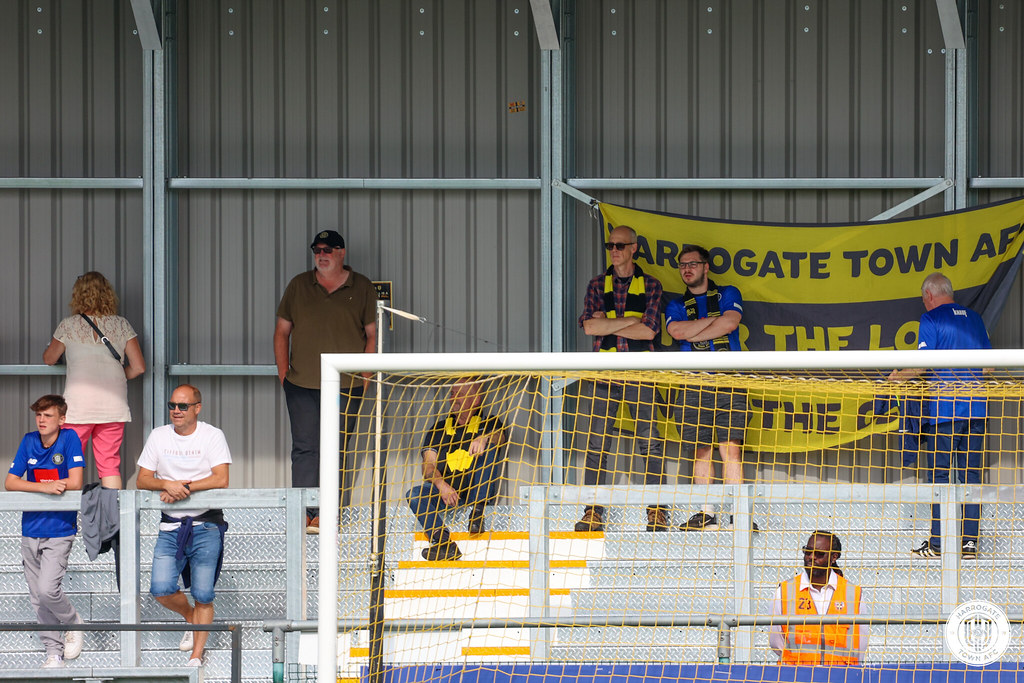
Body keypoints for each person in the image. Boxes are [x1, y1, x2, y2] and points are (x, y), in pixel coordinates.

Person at [274, 230, 377, 533]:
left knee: (337, 448)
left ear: (342, 252)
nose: (322, 254)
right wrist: (284, 374)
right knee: (305, 448)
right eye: (317, 249)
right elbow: (282, 331)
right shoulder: (298, 285)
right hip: (301, 384)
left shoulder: (362, 287)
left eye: (328, 249)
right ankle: (305, 512)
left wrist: (365, 376)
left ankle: (328, 512)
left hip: (346, 386)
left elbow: (372, 335)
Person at [889, 272, 991, 560]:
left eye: (923, 299)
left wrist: (899, 378)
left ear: (929, 295)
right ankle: (970, 543)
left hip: (945, 411)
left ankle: (937, 543)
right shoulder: (976, 319)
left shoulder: (931, 320)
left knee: (940, 476)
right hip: (977, 409)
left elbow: (923, 365)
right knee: (971, 476)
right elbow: (989, 369)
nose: (924, 304)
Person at [576, 225, 667, 533]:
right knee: (597, 443)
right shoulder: (596, 284)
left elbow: (650, 331)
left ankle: (657, 510)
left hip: (640, 374)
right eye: (610, 245)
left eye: (619, 245)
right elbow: (589, 328)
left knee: (650, 442)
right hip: (604, 375)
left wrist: (608, 324)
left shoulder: (652, 285)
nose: (613, 250)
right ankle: (593, 511)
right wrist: (630, 321)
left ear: (633, 248)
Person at [136, 385, 232, 667]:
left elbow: (220, 478)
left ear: (197, 408)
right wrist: (167, 483)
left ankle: (196, 655)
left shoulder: (213, 435)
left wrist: (183, 488)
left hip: (206, 525)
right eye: (172, 405)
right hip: (170, 527)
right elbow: (142, 479)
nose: (176, 411)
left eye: (183, 406)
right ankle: (190, 618)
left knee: (203, 593)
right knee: (160, 588)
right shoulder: (158, 435)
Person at [665, 244, 752, 531]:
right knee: (701, 449)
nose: (686, 269)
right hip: (694, 383)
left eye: (692, 264)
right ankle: (706, 513)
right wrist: (715, 321)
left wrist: (699, 327)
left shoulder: (728, 293)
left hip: (729, 380)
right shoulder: (675, 304)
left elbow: (731, 323)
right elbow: (677, 332)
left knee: (731, 449)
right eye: (682, 265)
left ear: (706, 266)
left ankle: (737, 515)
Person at [43, 271, 146, 489]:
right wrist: (117, 376)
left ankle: (67, 518)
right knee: (109, 464)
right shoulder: (122, 325)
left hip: (78, 408)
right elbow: (138, 367)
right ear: (108, 295)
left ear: (77, 296)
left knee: (69, 463)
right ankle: (112, 520)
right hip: (113, 406)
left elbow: (50, 359)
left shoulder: (68, 325)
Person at [5, 395, 86, 669]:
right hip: (30, 529)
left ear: (61, 420)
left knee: (47, 590)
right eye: (39, 415)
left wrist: (50, 483)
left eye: (48, 415)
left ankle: (74, 621)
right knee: (37, 596)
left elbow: (75, 483)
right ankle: (53, 652)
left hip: (60, 529)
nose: (41, 420)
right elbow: (10, 482)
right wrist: (44, 487)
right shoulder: (29, 441)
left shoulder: (70, 438)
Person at [406, 379, 507, 561]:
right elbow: (428, 465)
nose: (453, 398)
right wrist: (441, 484)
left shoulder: (490, 422)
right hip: (448, 493)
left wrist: (484, 438)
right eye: (452, 394)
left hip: (476, 491)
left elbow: (500, 438)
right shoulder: (438, 428)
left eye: (458, 394)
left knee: (490, 448)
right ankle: (444, 544)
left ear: (475, 399)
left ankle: (476, 514)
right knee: (414, 494)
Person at [769, 531, 867, 665]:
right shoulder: (784, 591)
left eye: (819, 554)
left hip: (841, 676)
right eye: (808, 552)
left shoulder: (853, 594)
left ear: (834, 557)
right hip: (796, 676)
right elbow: (776, 641)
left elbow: (860, 643)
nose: (811, 557)